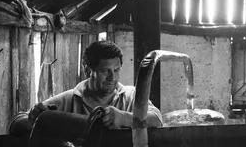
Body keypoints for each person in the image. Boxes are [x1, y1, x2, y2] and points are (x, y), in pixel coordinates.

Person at [28, 40, 162, 129]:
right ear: (87, 70)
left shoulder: (130, 96)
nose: (112, 77)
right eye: (105, 71)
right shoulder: (68, 100)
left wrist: (123, 118)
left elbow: (157, 119)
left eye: (116, 70)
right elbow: (17, 122)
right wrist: (37, 117)